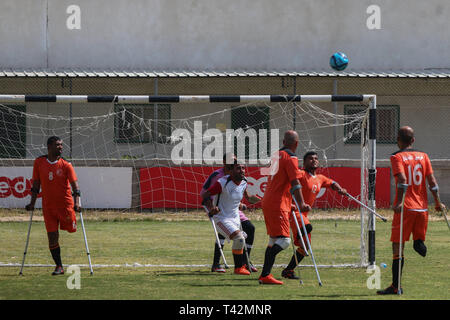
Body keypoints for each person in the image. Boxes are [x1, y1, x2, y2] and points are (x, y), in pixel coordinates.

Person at [377, 126, 445, 295]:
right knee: (416, 241)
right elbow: (433, 183)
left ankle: (395, 287)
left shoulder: (396, 156)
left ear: (397, 140)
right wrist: (438, 202)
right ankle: (419, 242)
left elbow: (402, 180)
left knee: (397, 246)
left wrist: (399, 202)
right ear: (413, 140)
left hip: (406, 208)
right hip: (422, 208)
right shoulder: (424, 156)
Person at [281, 151, 347, 280]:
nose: (314, 160)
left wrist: (340, 189)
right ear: (304, 162)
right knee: (308, 227)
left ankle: (288, 270)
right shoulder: (299, 174)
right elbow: (287, 184)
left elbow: (332, 183)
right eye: (310, 159)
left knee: (305, 249)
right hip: (293, 212)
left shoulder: (320, 178)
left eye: (316, 158)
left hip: (303, 214)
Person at [258, 130, 311, 285]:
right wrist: (301, 204)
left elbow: (275, 178)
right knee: (285, 241)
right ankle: (265, 274)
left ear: (283, 141)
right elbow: (295, 183)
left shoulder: (276, 155)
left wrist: (290, 203)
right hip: (277, 203)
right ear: (296, 143)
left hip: (268, 201)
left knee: (274, 239)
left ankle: (265, 275)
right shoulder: (291, 157)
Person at [26, 136, 81, 276]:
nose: (61, 147)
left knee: (71, 229)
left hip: (65, 206)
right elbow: (36, 185)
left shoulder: (66, 165)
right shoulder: (39, 163)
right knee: (52, 236)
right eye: (58, 145)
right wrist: (32, 203)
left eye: (61, 145)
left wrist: (77, 203)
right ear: (49, 146)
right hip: (48, 207)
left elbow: (75, 187)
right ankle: (59, 266)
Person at [200, 153, 258, 273]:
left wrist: (266, 201)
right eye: (238, 167)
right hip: (221, 215)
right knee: (239, 238)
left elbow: (245, 196)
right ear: (229, 168)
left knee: (248, 230)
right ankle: (228, 265)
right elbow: (205, 194)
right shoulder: (221, 180)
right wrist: (212, 208)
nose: (241, 170)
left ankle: (245, 262)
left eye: (243, 168)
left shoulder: (243, 181)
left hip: (234, 214)